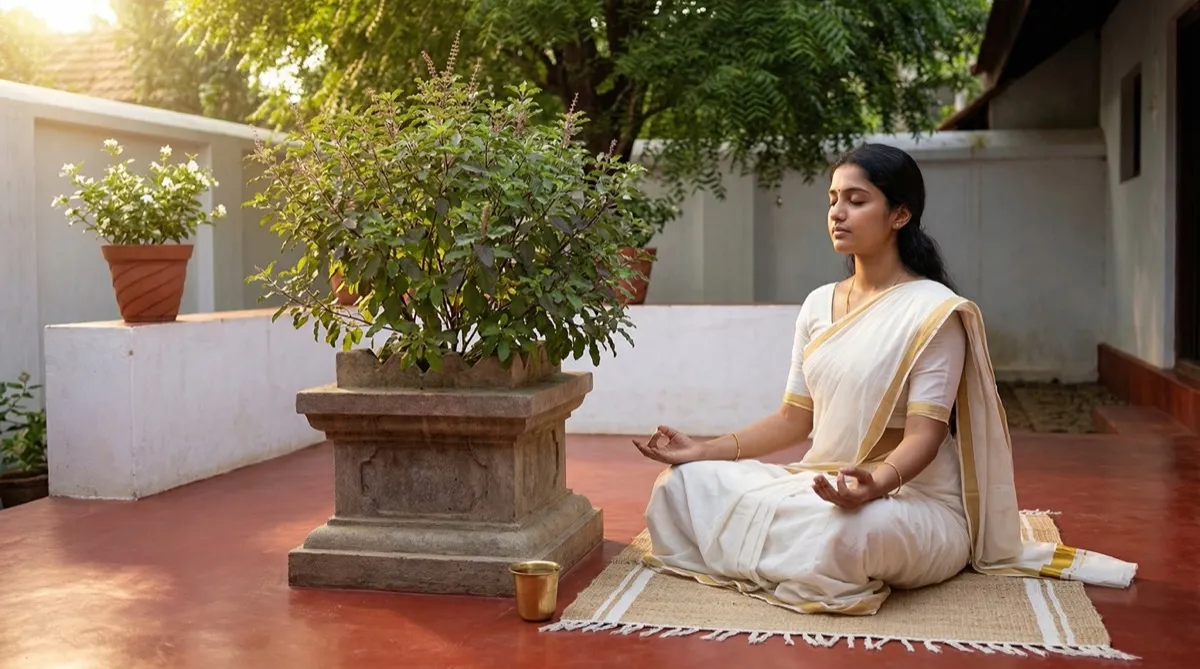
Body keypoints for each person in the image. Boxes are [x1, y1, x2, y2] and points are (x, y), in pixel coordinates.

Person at [632, 143, 1138, 616]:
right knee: (680, 486)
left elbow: (925, 436)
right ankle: (781, 552)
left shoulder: (933, 311)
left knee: (842, 533)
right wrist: (702, 450)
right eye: (832, 199)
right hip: (828, 481)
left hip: (913, 503)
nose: (837, 212)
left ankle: (774, 552)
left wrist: (874, 485)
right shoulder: (817, 305)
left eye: (856, 200)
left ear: (900, 215)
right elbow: (792, 419)